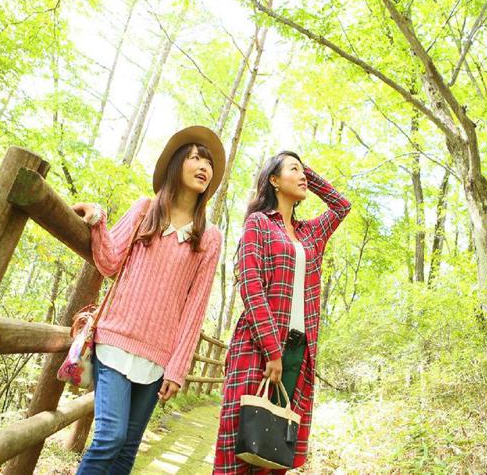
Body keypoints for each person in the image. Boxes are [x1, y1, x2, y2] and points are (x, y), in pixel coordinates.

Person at [72, 125, 225, 474]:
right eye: (195, 158)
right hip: (115, 339)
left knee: (126, 452)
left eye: (209, 162)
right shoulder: (145, 209)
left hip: (158, 356)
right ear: (176, 165)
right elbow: (110, 262)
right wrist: (97, 220)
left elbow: (195, 307)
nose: (204, 166)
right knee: (109, 438)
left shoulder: (209, 237)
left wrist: (178, 368)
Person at [214, 151, 351, 474]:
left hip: (298, 353)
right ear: (273, 180)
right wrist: (272, 351)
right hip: (257, 347)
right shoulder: (259, 223)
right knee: (238, 450)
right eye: (293, 170)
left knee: (273, 454)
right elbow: (250, 284)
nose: (302, 176)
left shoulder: (310, 234)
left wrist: (304, 170)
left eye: (304, 172)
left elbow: (341, 206)